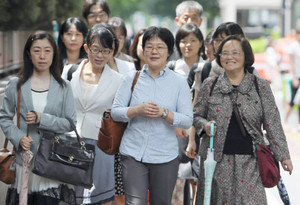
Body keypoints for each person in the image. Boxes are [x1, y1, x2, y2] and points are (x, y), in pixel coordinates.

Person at [193, 35, 293, 204]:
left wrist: (284, 156)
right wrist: (205, 125)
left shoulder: (260, 86)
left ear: (246, 56)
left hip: (251, 162)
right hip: (217, 162)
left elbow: (273, 123)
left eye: (235, 52)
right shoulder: (210, 85)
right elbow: (196, 115)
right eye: (224, 53)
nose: (229, 57)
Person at [111, 26, 193, 205]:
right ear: (143, 50)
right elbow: (116, 112)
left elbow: (187, 119)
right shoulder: (131, 78)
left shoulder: (179, 83)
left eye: (160, 47)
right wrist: (136, 110)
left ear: (169, 51)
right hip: (132, 153)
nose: (154, 51)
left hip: (165, 156)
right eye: (149, 46)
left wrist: (165, 113)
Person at [0, 31, 77, 204]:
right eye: (37, 50)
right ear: (29, 53)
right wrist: (19, 138)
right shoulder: (16, 84)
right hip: (24, 163)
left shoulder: (64, 87)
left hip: (51, 165)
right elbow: (4, 117)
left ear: (54, 54)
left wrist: (42, 119)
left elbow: (71, 123)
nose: (42, 56)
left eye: (47, 50)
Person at [62, 23, 123, 204]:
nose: (99, 55)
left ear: (112, 52)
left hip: (101, 145)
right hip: (71, 142)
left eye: (105, 51)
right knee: (71, 196)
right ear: (86, 48)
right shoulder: (70, 72)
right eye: (95, 49)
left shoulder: (119, 80)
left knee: (102, 197)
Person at [171, 23, 205, 205]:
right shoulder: (171, 67)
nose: (188, 45)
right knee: (179, 180)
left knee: (199, 180)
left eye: (193, 40)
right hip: (177, 132)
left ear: (201, 43)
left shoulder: (207, 67)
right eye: (183, 41)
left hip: (201, 131)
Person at [285, 29, 300, 125]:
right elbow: (291, 64)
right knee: (292, 101)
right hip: (295, 77)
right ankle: (285, 120)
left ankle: (298, 123)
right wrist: (294, 78)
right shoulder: (293, 47)